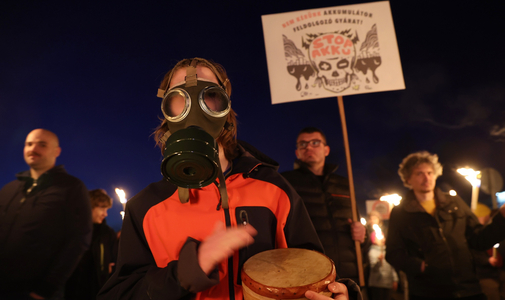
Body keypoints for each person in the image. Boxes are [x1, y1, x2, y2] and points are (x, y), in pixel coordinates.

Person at [97, 58, 360, 300]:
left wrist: (338, 292)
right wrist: (185, 273)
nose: (195, 108)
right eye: (180, 96)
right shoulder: (145, 207)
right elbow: (118, 293)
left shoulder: (274, 190)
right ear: (167, 110)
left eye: (209, 94)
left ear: (225, 107)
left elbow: (314, 272)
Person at [385, 151, 505, 300]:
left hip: (468, 289)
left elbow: (478, 239)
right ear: (408, 178)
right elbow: (393, 253)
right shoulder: (401, 212)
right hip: (428, 293)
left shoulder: (454, 203)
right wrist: (421, 266)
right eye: (419, 173)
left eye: (430, 172)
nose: (426, 177)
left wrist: (502, 218)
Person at [0, 128, 92, 300]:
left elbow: (79, 240)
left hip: (34, 292)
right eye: (29, 144)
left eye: (42, 144)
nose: (33, 149)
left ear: (56, 151)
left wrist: (46, 289)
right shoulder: (8, 190)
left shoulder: (72, 188)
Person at [281, 127, 370, 285]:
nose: (308, 147)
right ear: (297, 153)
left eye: (315, 143)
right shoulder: (286, 183)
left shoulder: (344, 184)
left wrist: (363, 235)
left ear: (326, 150)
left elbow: (359, 228)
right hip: (307, 275)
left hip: (349, 275)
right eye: (303, 144)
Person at [65, 189, 117, 300]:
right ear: (89, 206)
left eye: (107, 209)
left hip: (98, 292)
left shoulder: (108, 233)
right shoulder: (72, 230)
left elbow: (112, 261)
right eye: (102, 208)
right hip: (72, 292)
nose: (105, 214)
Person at [366, 211, 398, 300]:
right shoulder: (372, 251)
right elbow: (374, 268)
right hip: (377, 283)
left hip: (388, 282)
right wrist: (379, 262)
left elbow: (392, 266)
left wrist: (395, 279)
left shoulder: (387, 250)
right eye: (371, 218)